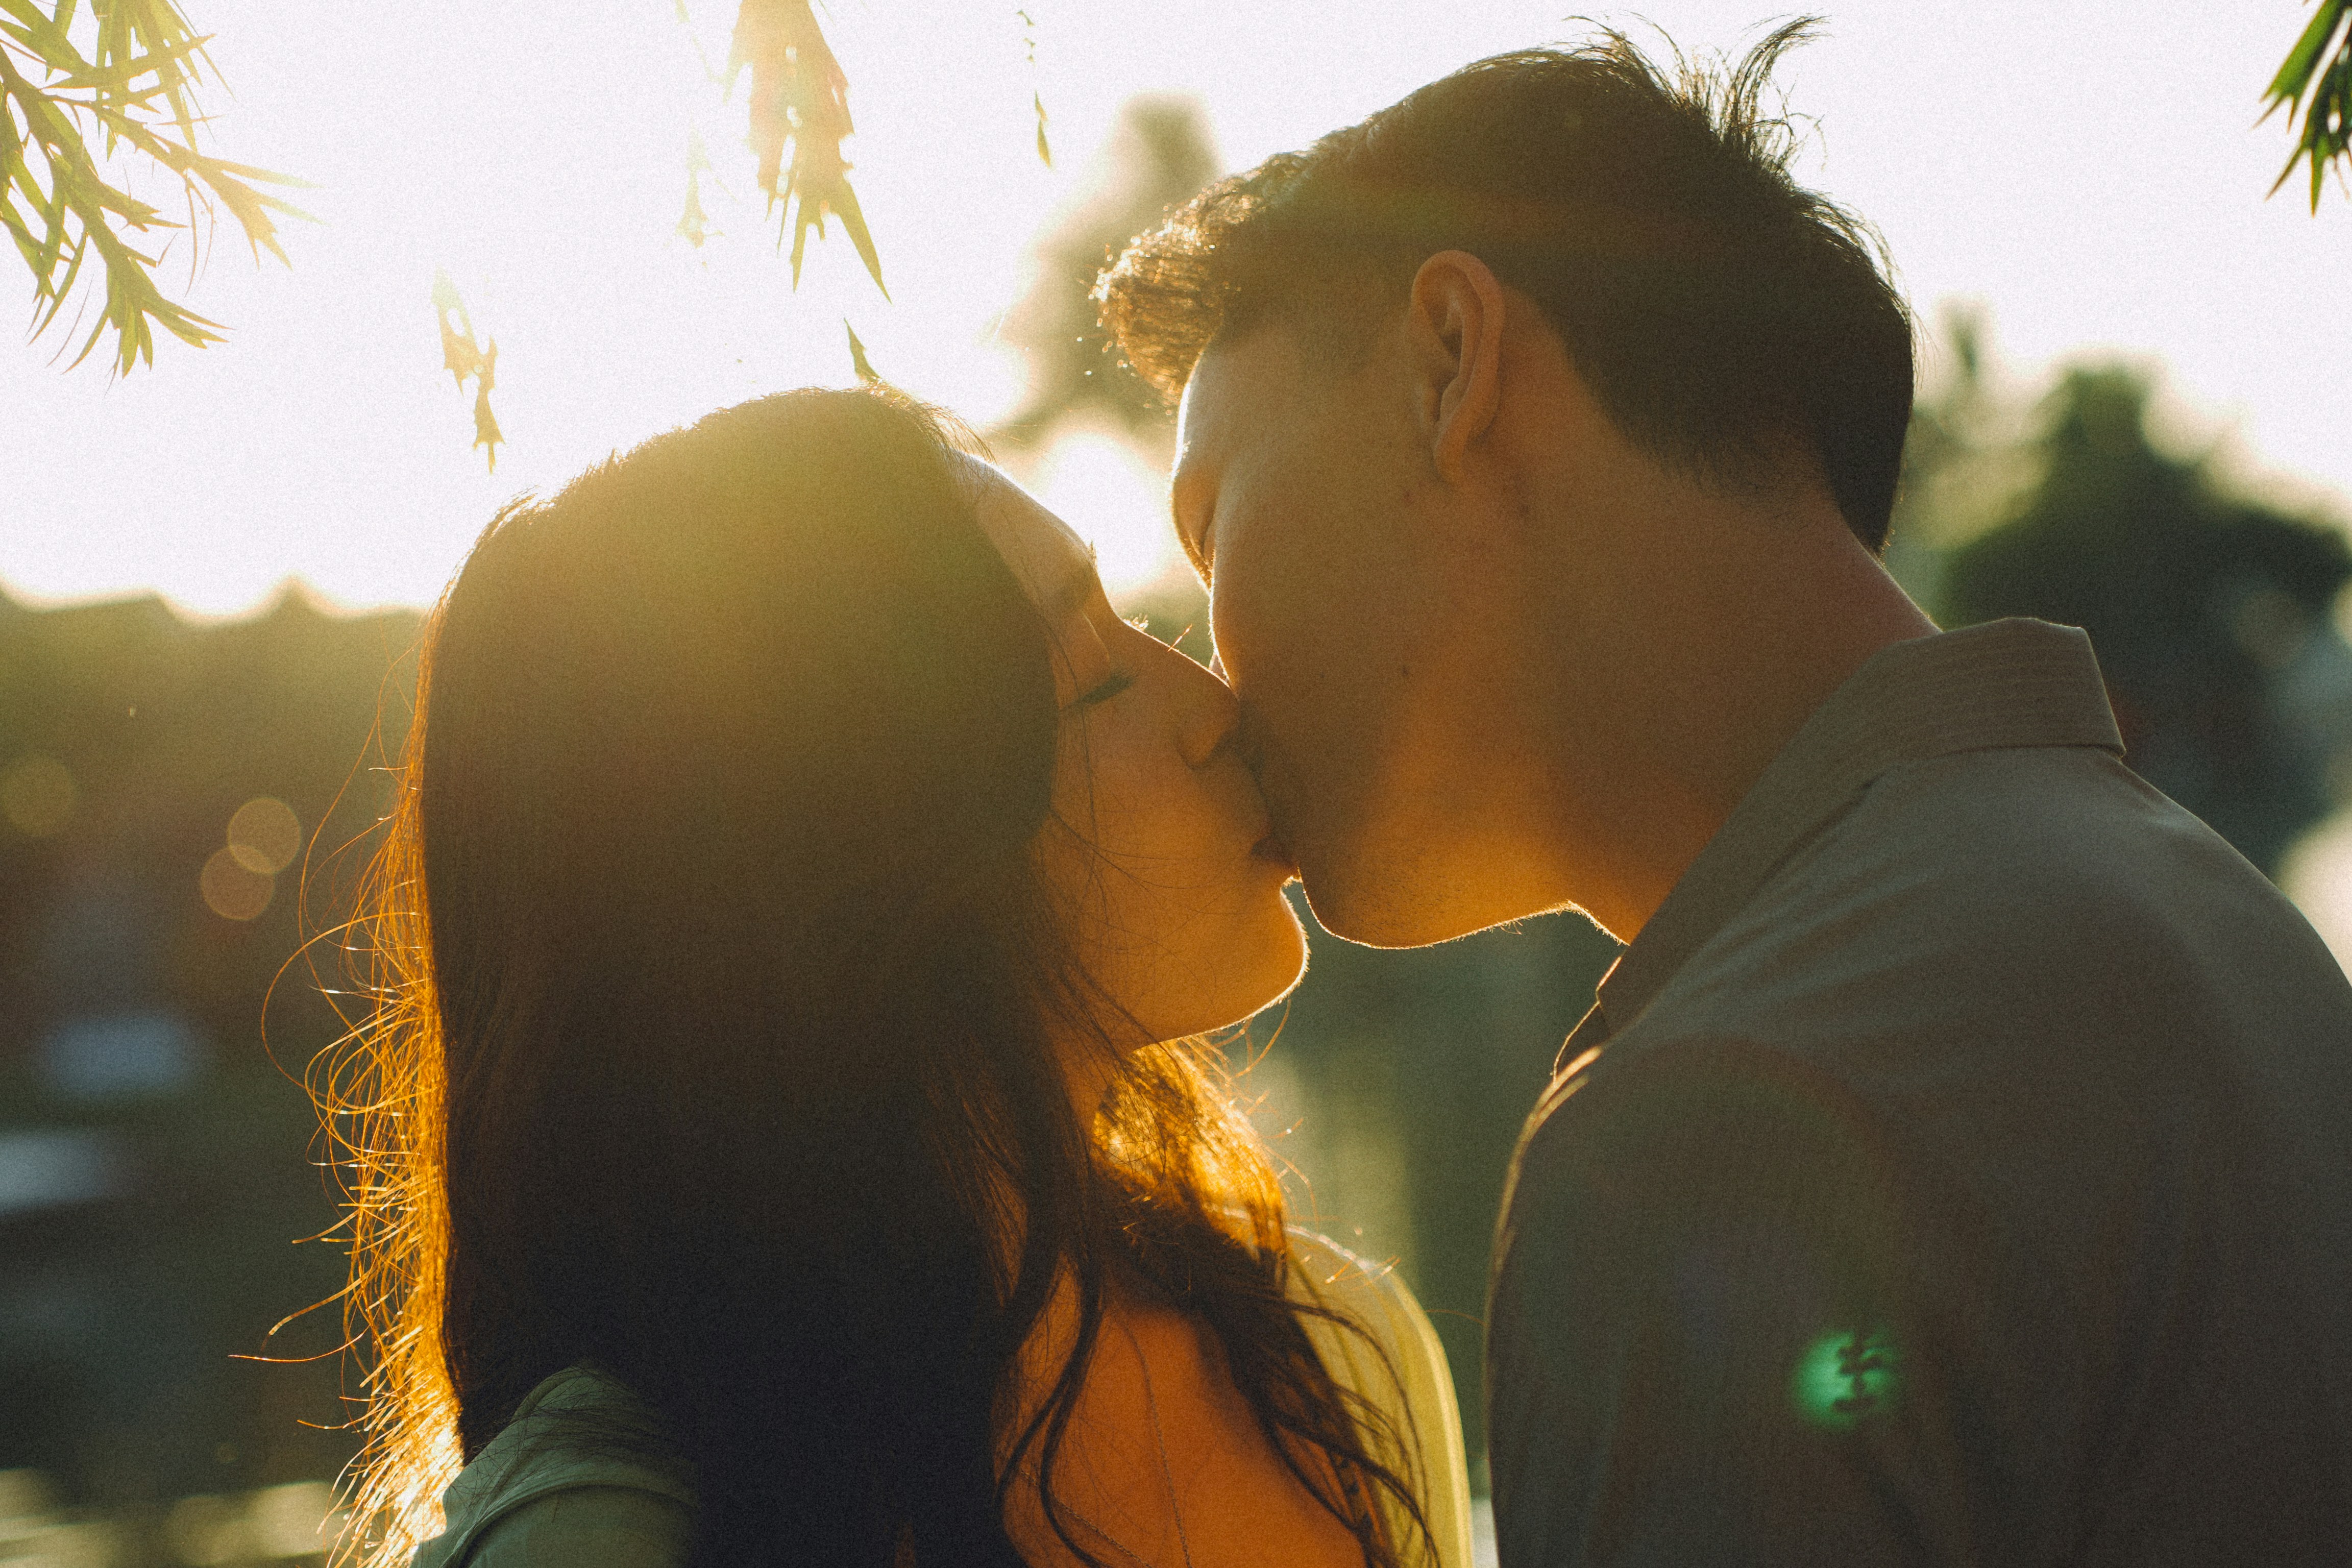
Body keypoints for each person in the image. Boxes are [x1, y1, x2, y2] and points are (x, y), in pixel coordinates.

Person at [1096, 23, 2352, 1565]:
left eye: (1216, 527)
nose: (1208, 674)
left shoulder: (1731, 1118)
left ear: (1448, 363)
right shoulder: (2227, 933)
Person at [324, 388, 1475, 1568]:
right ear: (854, 867)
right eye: (1098, 684)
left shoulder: (1333, 1356)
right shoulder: (616, 1535)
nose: (1215, 710)